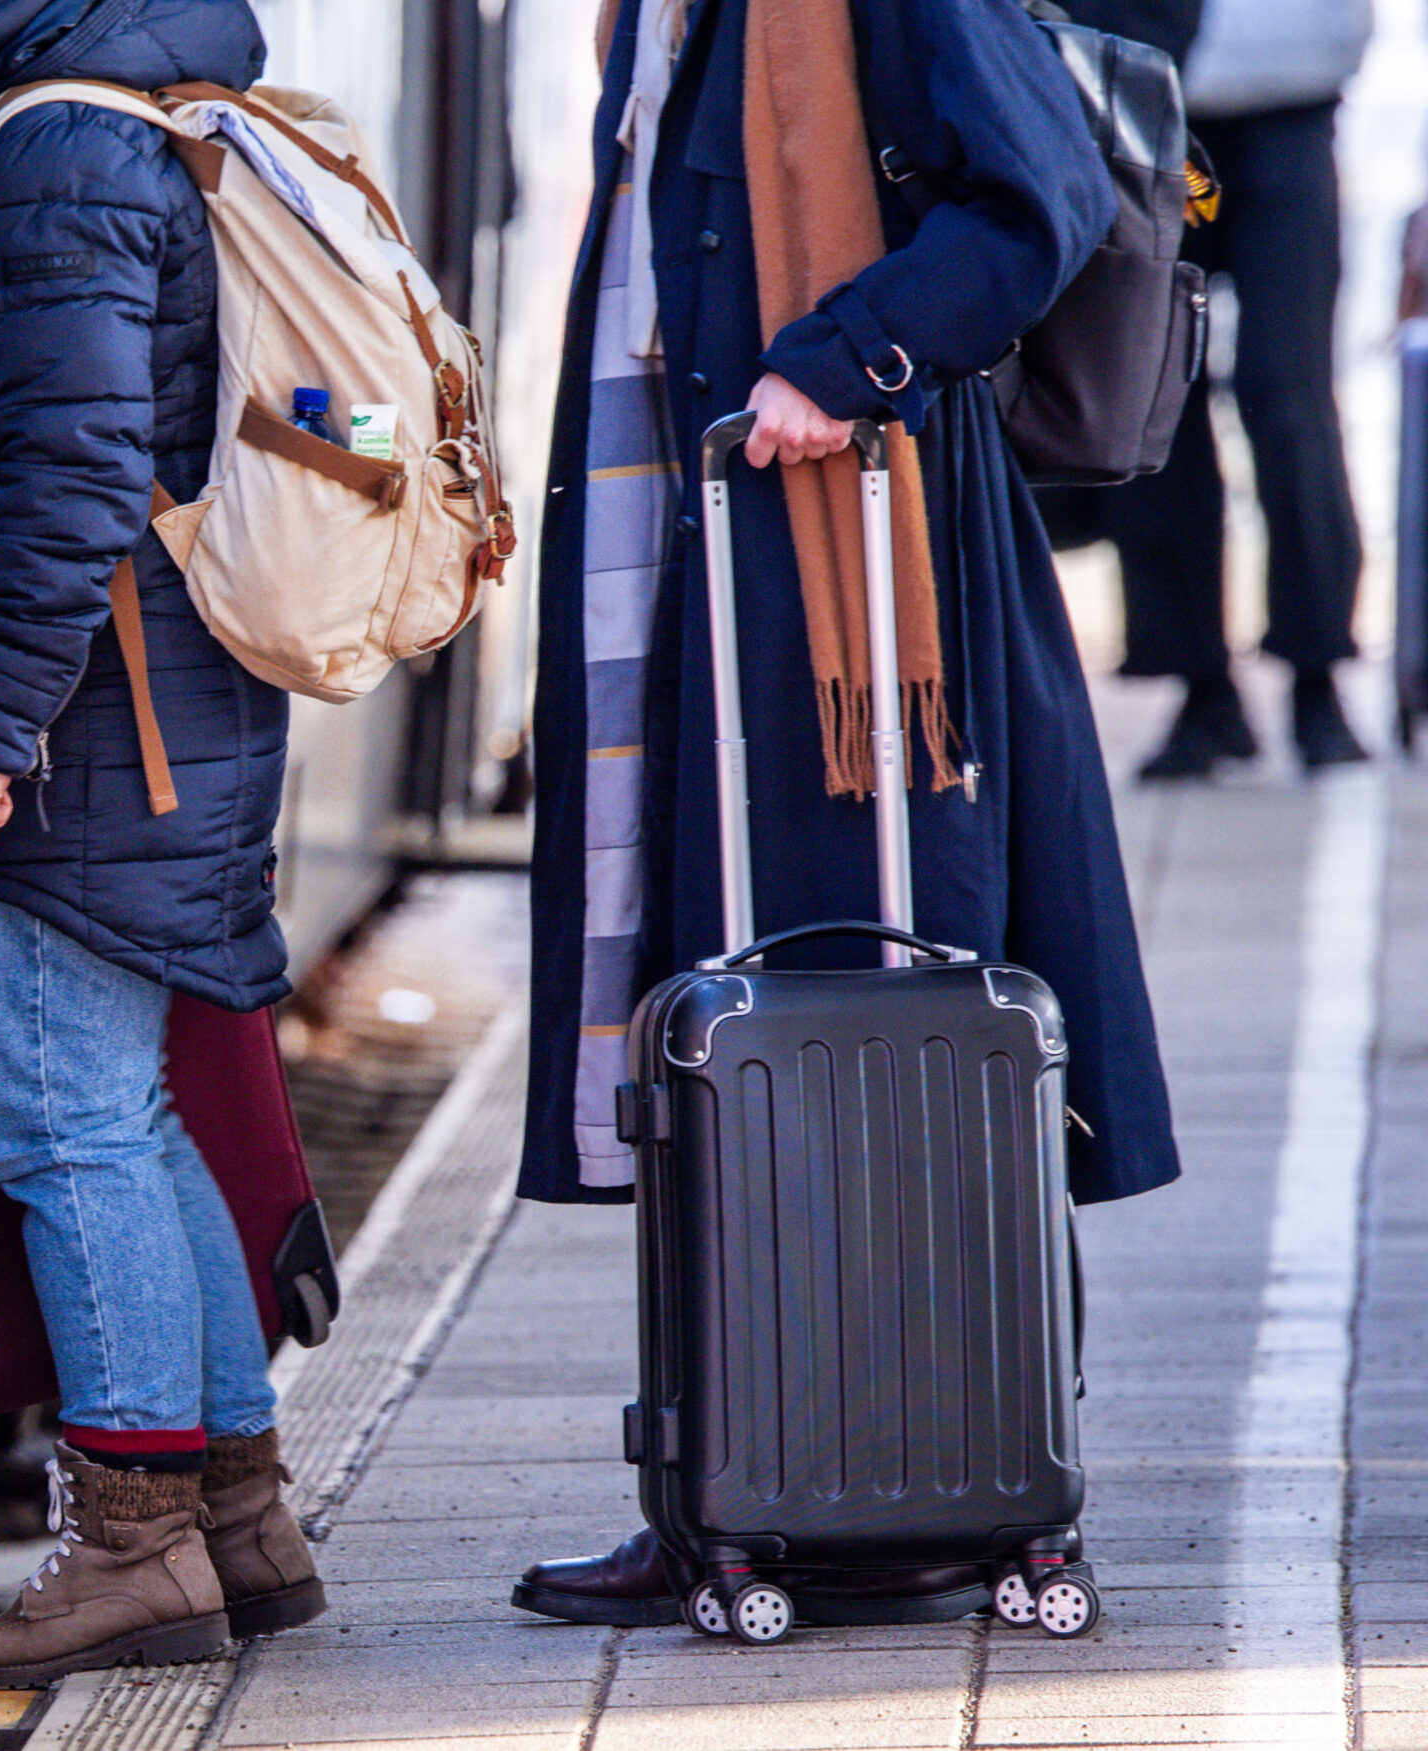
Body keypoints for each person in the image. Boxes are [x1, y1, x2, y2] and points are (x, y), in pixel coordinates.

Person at [513, 0, 1183, 1624]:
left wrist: (844, 354)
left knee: (898, 983)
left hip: (866, 567)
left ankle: (953, 1469)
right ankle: (731, 1476)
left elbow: (1038, 197)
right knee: (709, 985)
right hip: (715, 538)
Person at [0, 0, 324, 1688]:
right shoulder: (78, 107)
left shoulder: (45, 144)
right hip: (140, 715)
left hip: (93, 730)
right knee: (124, 1106)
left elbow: (82, 470)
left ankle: (131, 1548)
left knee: (55, 1116)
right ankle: (237, 1514)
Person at [1083, 0, 1374, 778]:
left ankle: (1317, 673)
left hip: (1292, 111)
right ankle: (1200, 684)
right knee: (1154, 397)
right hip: (1159, 126)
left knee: (1288, 396)